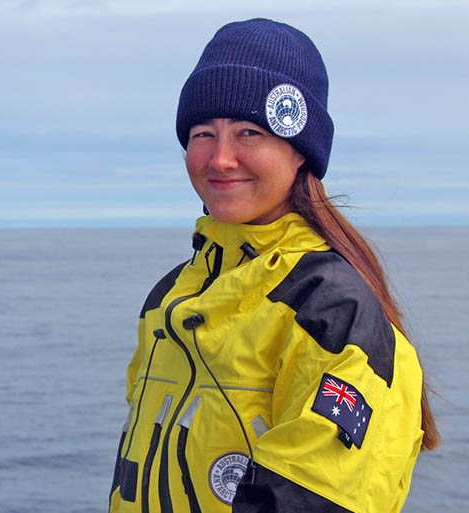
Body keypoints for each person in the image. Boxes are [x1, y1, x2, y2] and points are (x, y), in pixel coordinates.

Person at [107, 18, 440, 513]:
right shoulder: (171, 296)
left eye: (249, 132)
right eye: (203, 133)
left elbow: (318, 498)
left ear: (300, 152)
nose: (220, 159)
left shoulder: (329, 307)